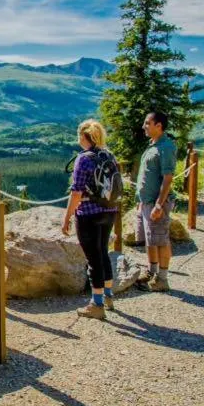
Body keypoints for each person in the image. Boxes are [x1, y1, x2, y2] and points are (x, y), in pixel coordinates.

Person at [62, 119, 120, 320]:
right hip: (109, 210)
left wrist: (67, 217)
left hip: (88, 212)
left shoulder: (83, 159)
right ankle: (108, 296)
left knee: (92, 258)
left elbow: (76, 192)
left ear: (83, 137)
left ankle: (96, 305)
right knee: (103, 251)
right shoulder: (109, 155)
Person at [135, 111, 177, 292]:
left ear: (158, 125)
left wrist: (159, 204)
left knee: (160, 240)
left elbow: (168, 178)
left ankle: (163, 279)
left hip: (157, 203)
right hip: (147, 202)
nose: (144, 126)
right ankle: (152, 272)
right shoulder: (153, 145)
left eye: (147, 123)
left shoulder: (166, 148)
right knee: (150, 240)